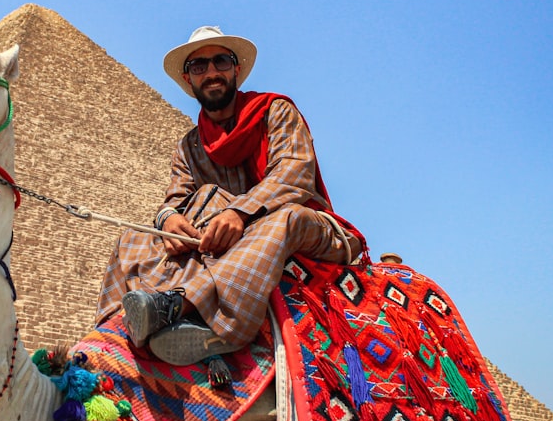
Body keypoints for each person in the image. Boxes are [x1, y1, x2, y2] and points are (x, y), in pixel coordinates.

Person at [96, 25, 366, 366]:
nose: (211, 72)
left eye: (220, 61)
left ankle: (184, 310)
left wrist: (239, 212)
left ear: (236, 69)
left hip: (302, 229)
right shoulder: (190, 146)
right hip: (226, 245)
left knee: (284, 219)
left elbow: (294, 174)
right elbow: (174, 199)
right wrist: (172, 220)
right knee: (132, 238)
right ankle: (112, 338)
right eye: (199, 67)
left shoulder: (275, 112)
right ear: (188, 80)